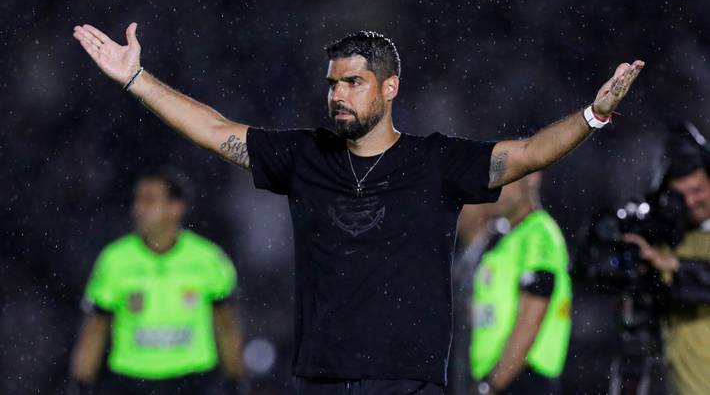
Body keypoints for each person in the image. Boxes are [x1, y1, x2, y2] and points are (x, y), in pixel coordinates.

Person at [71, 22, 643, 394]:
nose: (337, 95)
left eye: (353, 82)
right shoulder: (305, 156)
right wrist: (137, 79)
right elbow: (214, 128)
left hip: (408, 382)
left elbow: (528, 153)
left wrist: (594, 114)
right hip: (320, 377)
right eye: (333, 84)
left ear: (390, 88)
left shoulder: (434, 162)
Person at [68, 168, 246, 395]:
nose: (138, 208)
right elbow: (95, 328)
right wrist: (80, 383)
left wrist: (237, 380)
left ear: (175, 208)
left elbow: (227, 325)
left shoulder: (209, 259)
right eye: (138, 200)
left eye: (149, 200)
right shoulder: (115, 260)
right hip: (132, 381)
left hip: (193, 381)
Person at [624, 129, 710, 395]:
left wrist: (673, 265)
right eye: (680, 195)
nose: (691, 202)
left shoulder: (671, 254)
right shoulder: (673, 239)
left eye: (697, 190)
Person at [468, 172, 571, 395]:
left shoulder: (539, 235)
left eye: (505, 177)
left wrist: (492, 385)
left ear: (532, 177)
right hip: (501, 377)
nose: (495, 186)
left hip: (522, 379)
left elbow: (532, 316)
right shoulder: (503, 240)